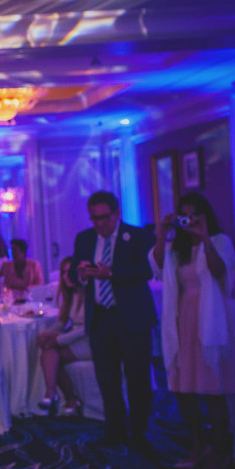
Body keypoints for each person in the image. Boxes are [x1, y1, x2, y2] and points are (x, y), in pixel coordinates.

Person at [150, 192, 235, 469]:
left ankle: (220, 452)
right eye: (183, 215)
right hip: (182, 320)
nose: (188, 220)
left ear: (204, 216)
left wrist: (205, 239)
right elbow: (157, 267)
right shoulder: (177, 247)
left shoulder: (220, 241)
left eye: (193, 215)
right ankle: (198, 444)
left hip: (209, 320)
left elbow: (221, 273)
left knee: (213, 391)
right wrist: (162, 234)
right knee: (183, 389)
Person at [68, 191, 157, 449]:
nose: (100, 224)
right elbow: (74, 275)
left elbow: (146, 270)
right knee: (107, 378)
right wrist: (82, 274)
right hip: (100, 318)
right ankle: (115, 430)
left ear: (116, 214)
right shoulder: (84, 239)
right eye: (94, 219)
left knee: (138, 377)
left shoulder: (137, 236)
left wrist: (111, 273)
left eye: (104, 218)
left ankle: (140, 432)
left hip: (131, 317)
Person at [36, 256, 89, 417]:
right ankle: (58, 396)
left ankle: (58, 396)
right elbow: (61, 322)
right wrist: (47, 334)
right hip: (75, 338)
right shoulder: (71, 295)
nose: (66, 277)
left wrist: (57, 339)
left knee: (51, 353)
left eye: (69, 272)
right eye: (63, 273)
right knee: (48, 348)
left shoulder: (89, 293)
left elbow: (85, 329)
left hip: (90, 340)